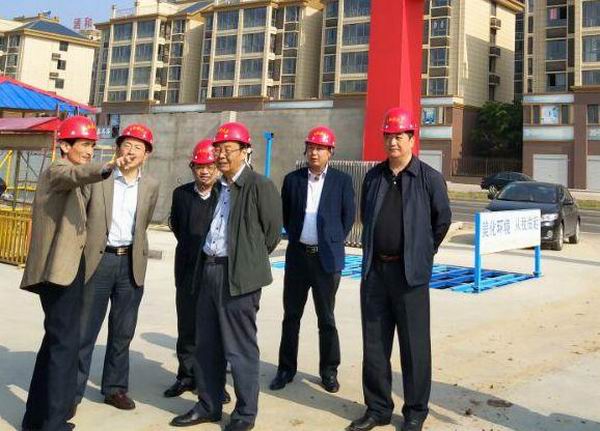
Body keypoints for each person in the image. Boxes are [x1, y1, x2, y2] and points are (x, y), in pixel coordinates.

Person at [171, 122, 282, 431]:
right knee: (207, 344)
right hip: (208, 270)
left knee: (240, 348)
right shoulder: (220, 187)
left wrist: (245, 260)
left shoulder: (260, 186)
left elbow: (271, 235)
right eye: (217, 149)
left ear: (245, 151)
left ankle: (245, 414)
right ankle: (208, 405)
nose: (220, 155)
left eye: (227, 149)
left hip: (238, 277)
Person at [347, 107, 452, 431]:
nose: (393, 142)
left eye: (399, 136)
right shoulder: (374, 177)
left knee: (414, 346)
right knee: (374, 345)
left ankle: (415, 412)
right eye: (388, 136)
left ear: (411, 139)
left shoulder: (428, 179)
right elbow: (366, 216)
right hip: (376, 273)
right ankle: (377, 408)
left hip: (410, 276)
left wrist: (422, 252)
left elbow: (442, 220)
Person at [20, 116, 120, 431]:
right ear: (65, 145)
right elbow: (75, 174)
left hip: (69, 269)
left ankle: (36, 420)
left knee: (55, 343)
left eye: (93, 145)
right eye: (85, 144)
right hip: (58, 273)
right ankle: (53, 424)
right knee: (65, 347)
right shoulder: (57, 170)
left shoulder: (71, 176)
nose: (90, 151)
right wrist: (107, 166)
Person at [75, 124, 159, 411]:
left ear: (147, 155)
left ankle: (115, 388)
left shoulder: (151, 186)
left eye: (138, 147)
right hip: (99, 260)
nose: (131, 151)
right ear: (117, 148)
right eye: (127, 145)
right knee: (85, 330)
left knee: (123, 331)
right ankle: (72, 392)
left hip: (130, 263)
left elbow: (143, 223)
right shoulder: (100, 178)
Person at [270, 126, 355, 393]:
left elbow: (348, 217)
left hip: (326, 260)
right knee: (291, 316)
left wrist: (330, 241)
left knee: (326, 318)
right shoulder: (292, 180)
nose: (315, 153)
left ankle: (329, 371)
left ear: (330, 152)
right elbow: (286, 215)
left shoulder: (342, 182)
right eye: (311, 148)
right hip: (298, 257)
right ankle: (285, 369)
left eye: (320, 148)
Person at [165, 139, 229, 404]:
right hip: (187, 270)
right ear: (192, 167)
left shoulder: (225, 194)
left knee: (215, 331)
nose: (204, 171)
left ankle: (214, 382)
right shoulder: (181, 194)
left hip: (216, 270)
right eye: (199, 166)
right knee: (187, 326)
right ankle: (186, 375)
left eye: (210, 166)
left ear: (218, 168)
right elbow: (178, 227)